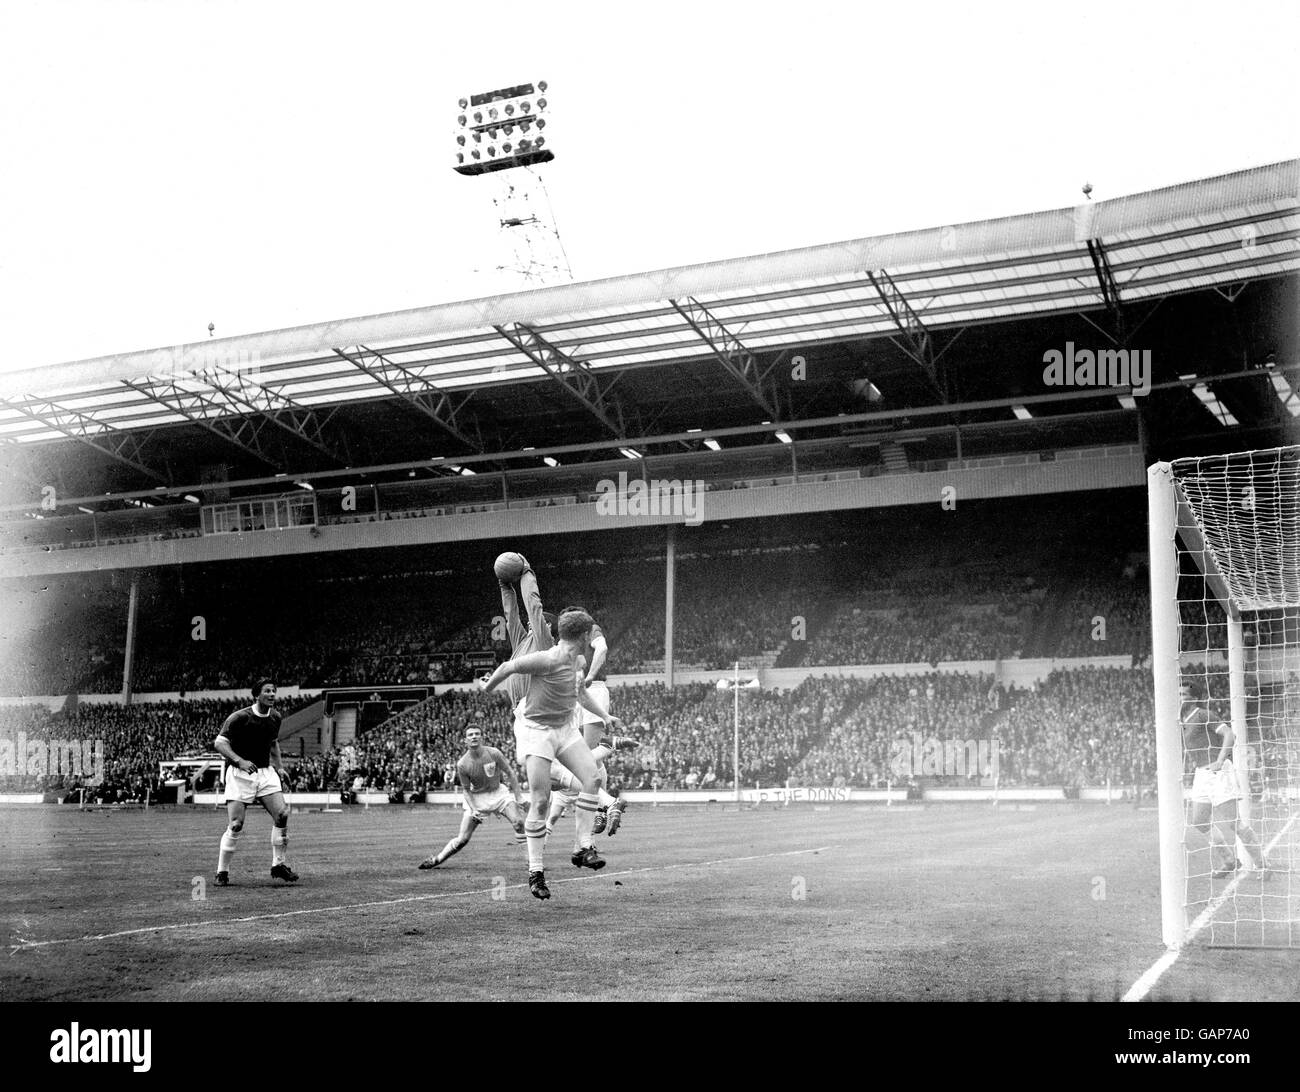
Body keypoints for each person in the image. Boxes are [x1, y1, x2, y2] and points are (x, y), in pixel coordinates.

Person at [479, 608, 620, 900]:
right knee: (541, 800)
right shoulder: (548, 658)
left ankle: (582, 847)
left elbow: (579, 693)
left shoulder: (579, 659)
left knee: (592, 779)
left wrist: (604, 717)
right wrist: (487, 688)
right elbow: (507, 668)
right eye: (589, 634)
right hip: (538, 732)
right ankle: (536, 872)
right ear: (583, 636)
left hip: (564, 728)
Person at [213, 679, 298, 886]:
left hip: (265, 773)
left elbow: (273, 743)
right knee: (236, 824)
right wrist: (239, 761)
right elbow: (220, 743)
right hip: (240, 774)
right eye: (267, 691)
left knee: (282, 814)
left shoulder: (276, 717)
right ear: (256, 695)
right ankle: (222, 872)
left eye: (274, 691)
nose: (272, 695)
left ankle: (278, 865)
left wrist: (279, 767)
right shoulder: (240, 717)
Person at [1181, 680, 1269, 880]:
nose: (1180, 698)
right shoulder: (1183, 720)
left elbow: (1230, 734)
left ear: (1195, 698)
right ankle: (1230, 861)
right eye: (1179, 694)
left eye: (1184, 695)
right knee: (1199, 821)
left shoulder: (1203, 715)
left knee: (1234, 823)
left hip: (1219, 772)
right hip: (1201, 773)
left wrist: (1220, 760)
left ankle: (1263, 865)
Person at [418, 726, 525, 869]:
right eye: (470, 735)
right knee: (463, 839)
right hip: (476, 798)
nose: (474, 736)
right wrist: (474, 809)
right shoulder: (462, 764)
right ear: (465, 740)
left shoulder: (494, 753)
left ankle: (533, 864)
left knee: (518, 822)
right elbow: (466, 791)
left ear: (482, 737)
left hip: (498, 793)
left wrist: (519, 797)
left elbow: (510, 773)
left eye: (477, 734)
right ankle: (437, 859)